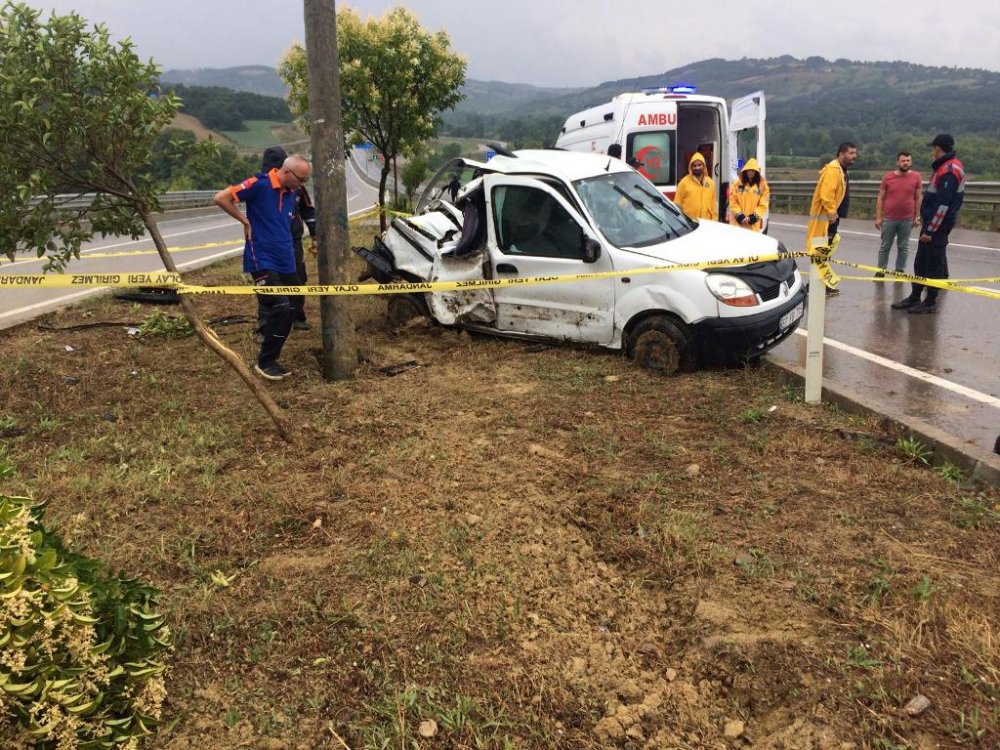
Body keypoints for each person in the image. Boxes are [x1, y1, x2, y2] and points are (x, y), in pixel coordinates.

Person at [214, 153, 312, 380]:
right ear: (287, 172)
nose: (303, 185)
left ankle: (273, 352)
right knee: (279, 307)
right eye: (301, 179)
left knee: (295, 305)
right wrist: (244, 220)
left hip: (286, 259)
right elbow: (221, 197)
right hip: (262, 258)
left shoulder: (292, 191)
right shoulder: (259, 185)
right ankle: (266, 361)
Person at [891, 134, 965, 314]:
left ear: (938, 148)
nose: (932, 151)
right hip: (932, 224)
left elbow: (943, 205)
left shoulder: (949, 170)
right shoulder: (944, 167)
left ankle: (930, 301)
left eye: (933, 148)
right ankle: (915, 296)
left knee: (934, 263)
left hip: (937, 227)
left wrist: (931, 230)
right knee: (922, 261)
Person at [257, 146, 316, 338]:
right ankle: (265, 324)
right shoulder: (261, 186)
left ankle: (298, 317)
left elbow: (308, 211)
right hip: (266, 246)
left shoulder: (297, 188)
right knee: (268, 285)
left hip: (293, 242)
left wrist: (315, 236)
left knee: (298, 279)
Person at [805, 142, 857, 297]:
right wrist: (832, 215)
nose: (854, 156)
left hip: (829, 219)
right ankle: (815, 286)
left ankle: (821, 285)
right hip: (826, 220)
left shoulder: (840, 169)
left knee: (824, 254)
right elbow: (826, 195)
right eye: (851, 153)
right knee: (820, 253)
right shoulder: (834, 170)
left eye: (855, 153)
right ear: (841, 154)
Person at [874, 151, 922, 276]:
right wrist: (878, 217)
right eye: (903, 161)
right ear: (897, 162)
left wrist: (917, 216)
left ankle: (899, 271)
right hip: (889, 218)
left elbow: (918, 197)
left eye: (908, 161)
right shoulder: (888, 177)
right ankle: (881, 271)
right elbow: (881, 198)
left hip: (907, 218)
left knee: (903, 247)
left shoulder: (916, 177)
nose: (906, 163)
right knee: (885, 246)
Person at [728, 158, 769, 232]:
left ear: (756, 172)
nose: (750, 172)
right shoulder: (737, 184)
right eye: (748, 170)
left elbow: (763, 205)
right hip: (738, 223)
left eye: (752, 170)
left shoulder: (763, 186)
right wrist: (740, 216)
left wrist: (752, 217)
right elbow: (733, 201)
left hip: (753, 225)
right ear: (745, 171)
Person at [674, 152, 717, 222]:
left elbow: (713, 205)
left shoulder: (710, 183)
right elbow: (677, 205)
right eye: (694, 165)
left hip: (706, 223)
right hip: (690, 223)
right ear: (691, 167)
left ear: (704, 166)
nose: (697, 168)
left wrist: (714, 221)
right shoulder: (683, 183)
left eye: (699, 165)